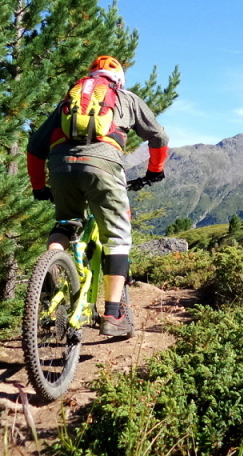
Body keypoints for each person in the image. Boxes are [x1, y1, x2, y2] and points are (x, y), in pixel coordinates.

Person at [26, 55, 169, 337]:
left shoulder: (67, 102)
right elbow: (159, 137)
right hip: (103, 167)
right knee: (117, 236)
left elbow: (34, 147)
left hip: (60, 167)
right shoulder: (125, 98)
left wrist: (39, 187)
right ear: (118, 80)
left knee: (66, 224)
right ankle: (113, 315)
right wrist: (155, 170)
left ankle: (49, 277)